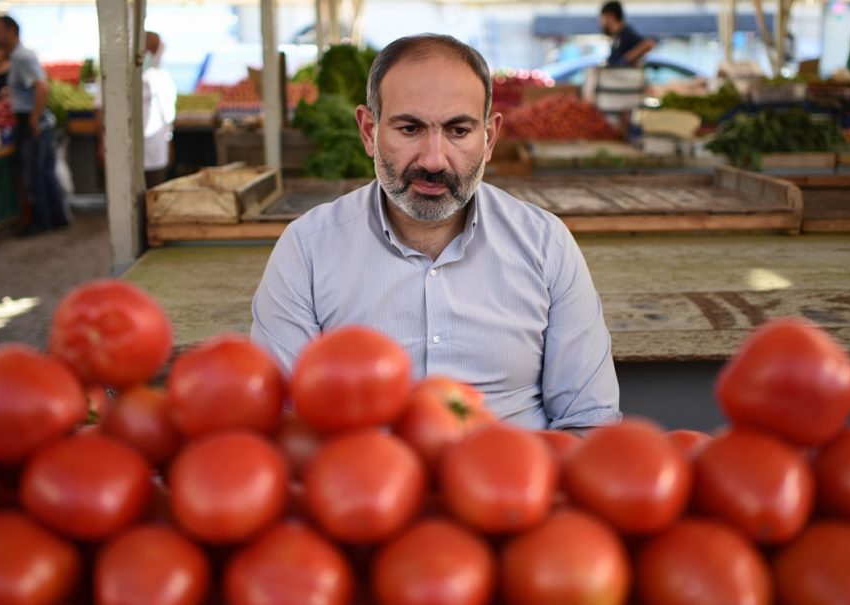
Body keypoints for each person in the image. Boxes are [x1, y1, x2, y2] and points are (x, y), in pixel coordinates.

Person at [250, 34, 620, 432]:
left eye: (458, 131)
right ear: (369, 131)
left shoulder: (546, 244)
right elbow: (286, 426)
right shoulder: (307, 249)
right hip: (363, 471)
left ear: (490, 138)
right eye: (410, 128)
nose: (433, 160)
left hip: (515, 469)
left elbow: (589, 421)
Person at [0, 15, 68, 235]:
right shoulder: (17, 57)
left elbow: (42, 87)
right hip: (37, 121)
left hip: (33, 122)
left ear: (12, 31)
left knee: (34, 174)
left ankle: (41, 222)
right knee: (45, 172)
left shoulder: (22, 57)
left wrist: (33, 119)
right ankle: (56, 218)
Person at [142, 31, 177, 188]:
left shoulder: (161, 77)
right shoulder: (122, 77)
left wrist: (168, 142)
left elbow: (167, 117)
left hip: (156, 145)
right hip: (131, 146)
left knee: (154, 188)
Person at [600, 1, 655, 67]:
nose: (601, 22)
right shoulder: (617, 36)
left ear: (611, 16)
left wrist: (625, 59)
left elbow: (649, 44)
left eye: (602, 18)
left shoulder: (627, 34)